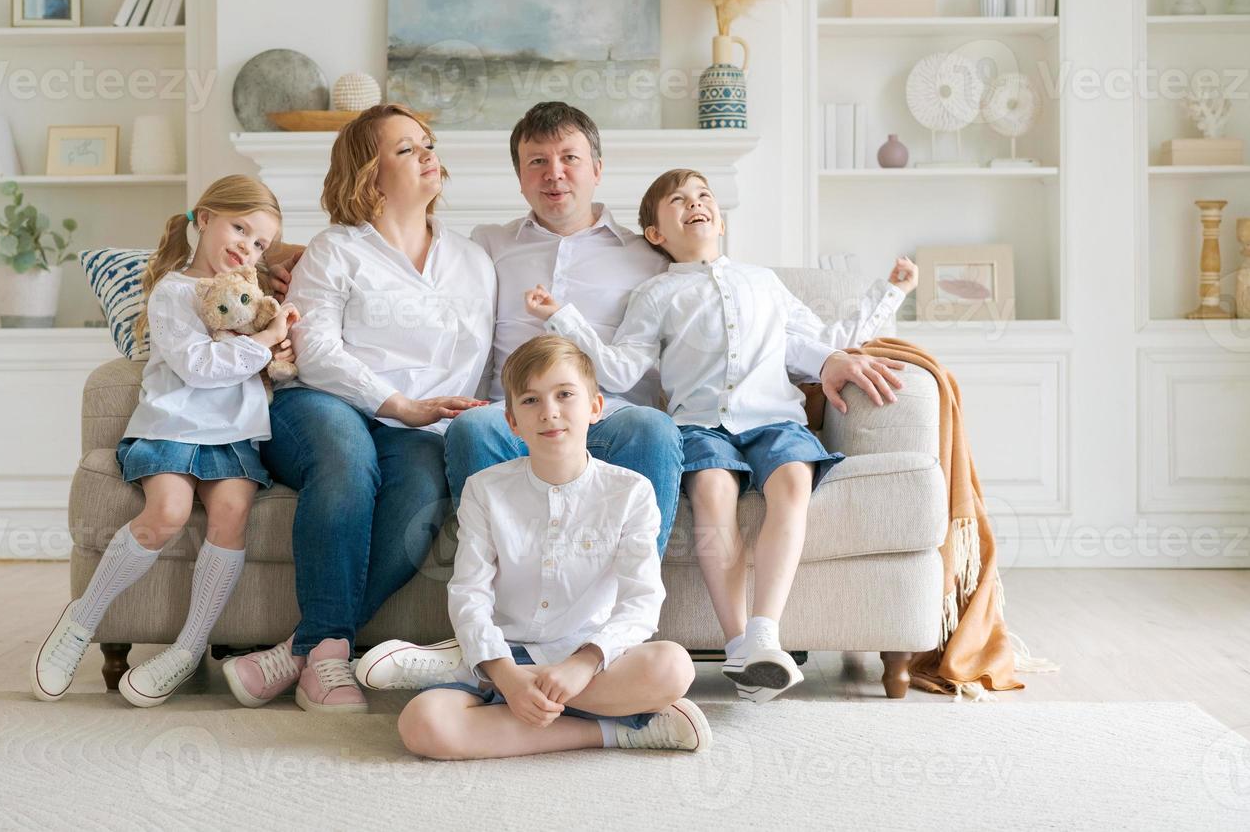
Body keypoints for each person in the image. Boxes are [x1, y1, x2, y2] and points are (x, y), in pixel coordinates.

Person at [526, 168, 917, 702]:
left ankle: (763, 634)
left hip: (775, 419)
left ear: (721, 219)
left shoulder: (763, 283)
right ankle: (738, 647)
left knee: (792, 485)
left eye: (704, 195)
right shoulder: (655, 294)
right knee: (712, 492)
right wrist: (563, 318)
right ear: (656, 234)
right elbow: (618, 371)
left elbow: (822, 343)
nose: (695, 203)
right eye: (678, 200)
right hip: (699, 425)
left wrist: (889, 293)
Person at [221, 104, 496, 714]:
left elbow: (477, 357)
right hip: (322, 404)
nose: (428, 154)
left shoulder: (474, 262)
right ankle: (325, 663)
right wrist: (400, 403)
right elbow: (315, 353)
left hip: (422, 424)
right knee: (348, 460)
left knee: (423, 489)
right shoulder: (335, 250)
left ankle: (308, 652)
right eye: (406, 149)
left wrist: (436, 415)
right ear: (369, 176)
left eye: (427, 143)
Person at [356, 335, 710, 759]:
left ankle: (482, 679)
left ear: (595, 407)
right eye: (530, 401)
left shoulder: (630, 492)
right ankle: (622, 729)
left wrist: (582, 665)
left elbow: (642, 602)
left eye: (565, 395)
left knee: (673, 668)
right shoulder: (485, 490)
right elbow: (469, 592)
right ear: (512, 423)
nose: (549, 412)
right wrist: (506, 673)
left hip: (593, 662)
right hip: (506, 652)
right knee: (422, 724)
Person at [31, 175, 295, 706]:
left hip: (235, 435)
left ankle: (187, 648)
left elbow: (263, 363)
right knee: (168, 512)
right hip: (173, 424)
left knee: (231, 516)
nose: (247, 246)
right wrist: (264, 344)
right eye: (238, 228)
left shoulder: (251, 299)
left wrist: (279, 338)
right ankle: (80, 623)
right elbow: (198, 367)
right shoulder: (174, 293)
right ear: (203, 218)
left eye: (260, 242)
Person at [443, 102, 685, 554]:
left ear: (596, 168)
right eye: (537, 161)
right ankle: (499, 602)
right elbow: (413, 260)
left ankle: (627, 609)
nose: (554, 173)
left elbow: (723, 300)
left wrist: (827, 355)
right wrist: (285, 256)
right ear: (520, 178)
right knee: (472, 429)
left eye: (569, 158)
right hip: (513, 417)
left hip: (611, 416)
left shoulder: (652, 257)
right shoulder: (487, 245)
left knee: (654, 430)